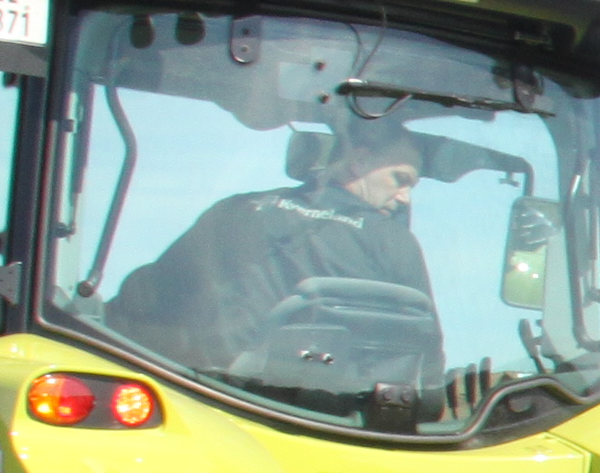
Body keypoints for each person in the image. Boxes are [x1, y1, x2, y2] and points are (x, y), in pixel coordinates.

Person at [110, 121, 446, 386]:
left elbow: (147, 295)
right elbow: (424, 347)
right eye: (399, 179)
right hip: (334, 411)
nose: (405, 198)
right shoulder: (394, 242)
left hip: (211, 391)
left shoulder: (238, 210)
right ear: (358, 160)